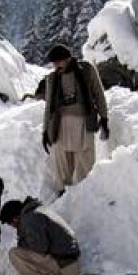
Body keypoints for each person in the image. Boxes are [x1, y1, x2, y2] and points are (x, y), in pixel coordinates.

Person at [41, 44, 109, 193]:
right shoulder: (52, 78)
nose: (56, 66)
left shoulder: (86, 70)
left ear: (68, 58)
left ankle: (86, 193)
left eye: (59, 62)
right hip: (60, 124)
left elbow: (99, 94)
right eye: (54, 63)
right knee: (62, 162)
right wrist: (45, 131)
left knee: (85, 161)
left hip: (84, 122)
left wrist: (104, 118)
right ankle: (62, 193)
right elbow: (49, 107)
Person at [0, 197, 81, 275]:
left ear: (15, 218)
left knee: (15, 254)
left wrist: (23, 239)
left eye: (11, 223)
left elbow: (40, 248)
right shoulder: (36, 212)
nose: (13, 226)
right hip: (69, 264)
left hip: (66, 269)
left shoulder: (29, 219)